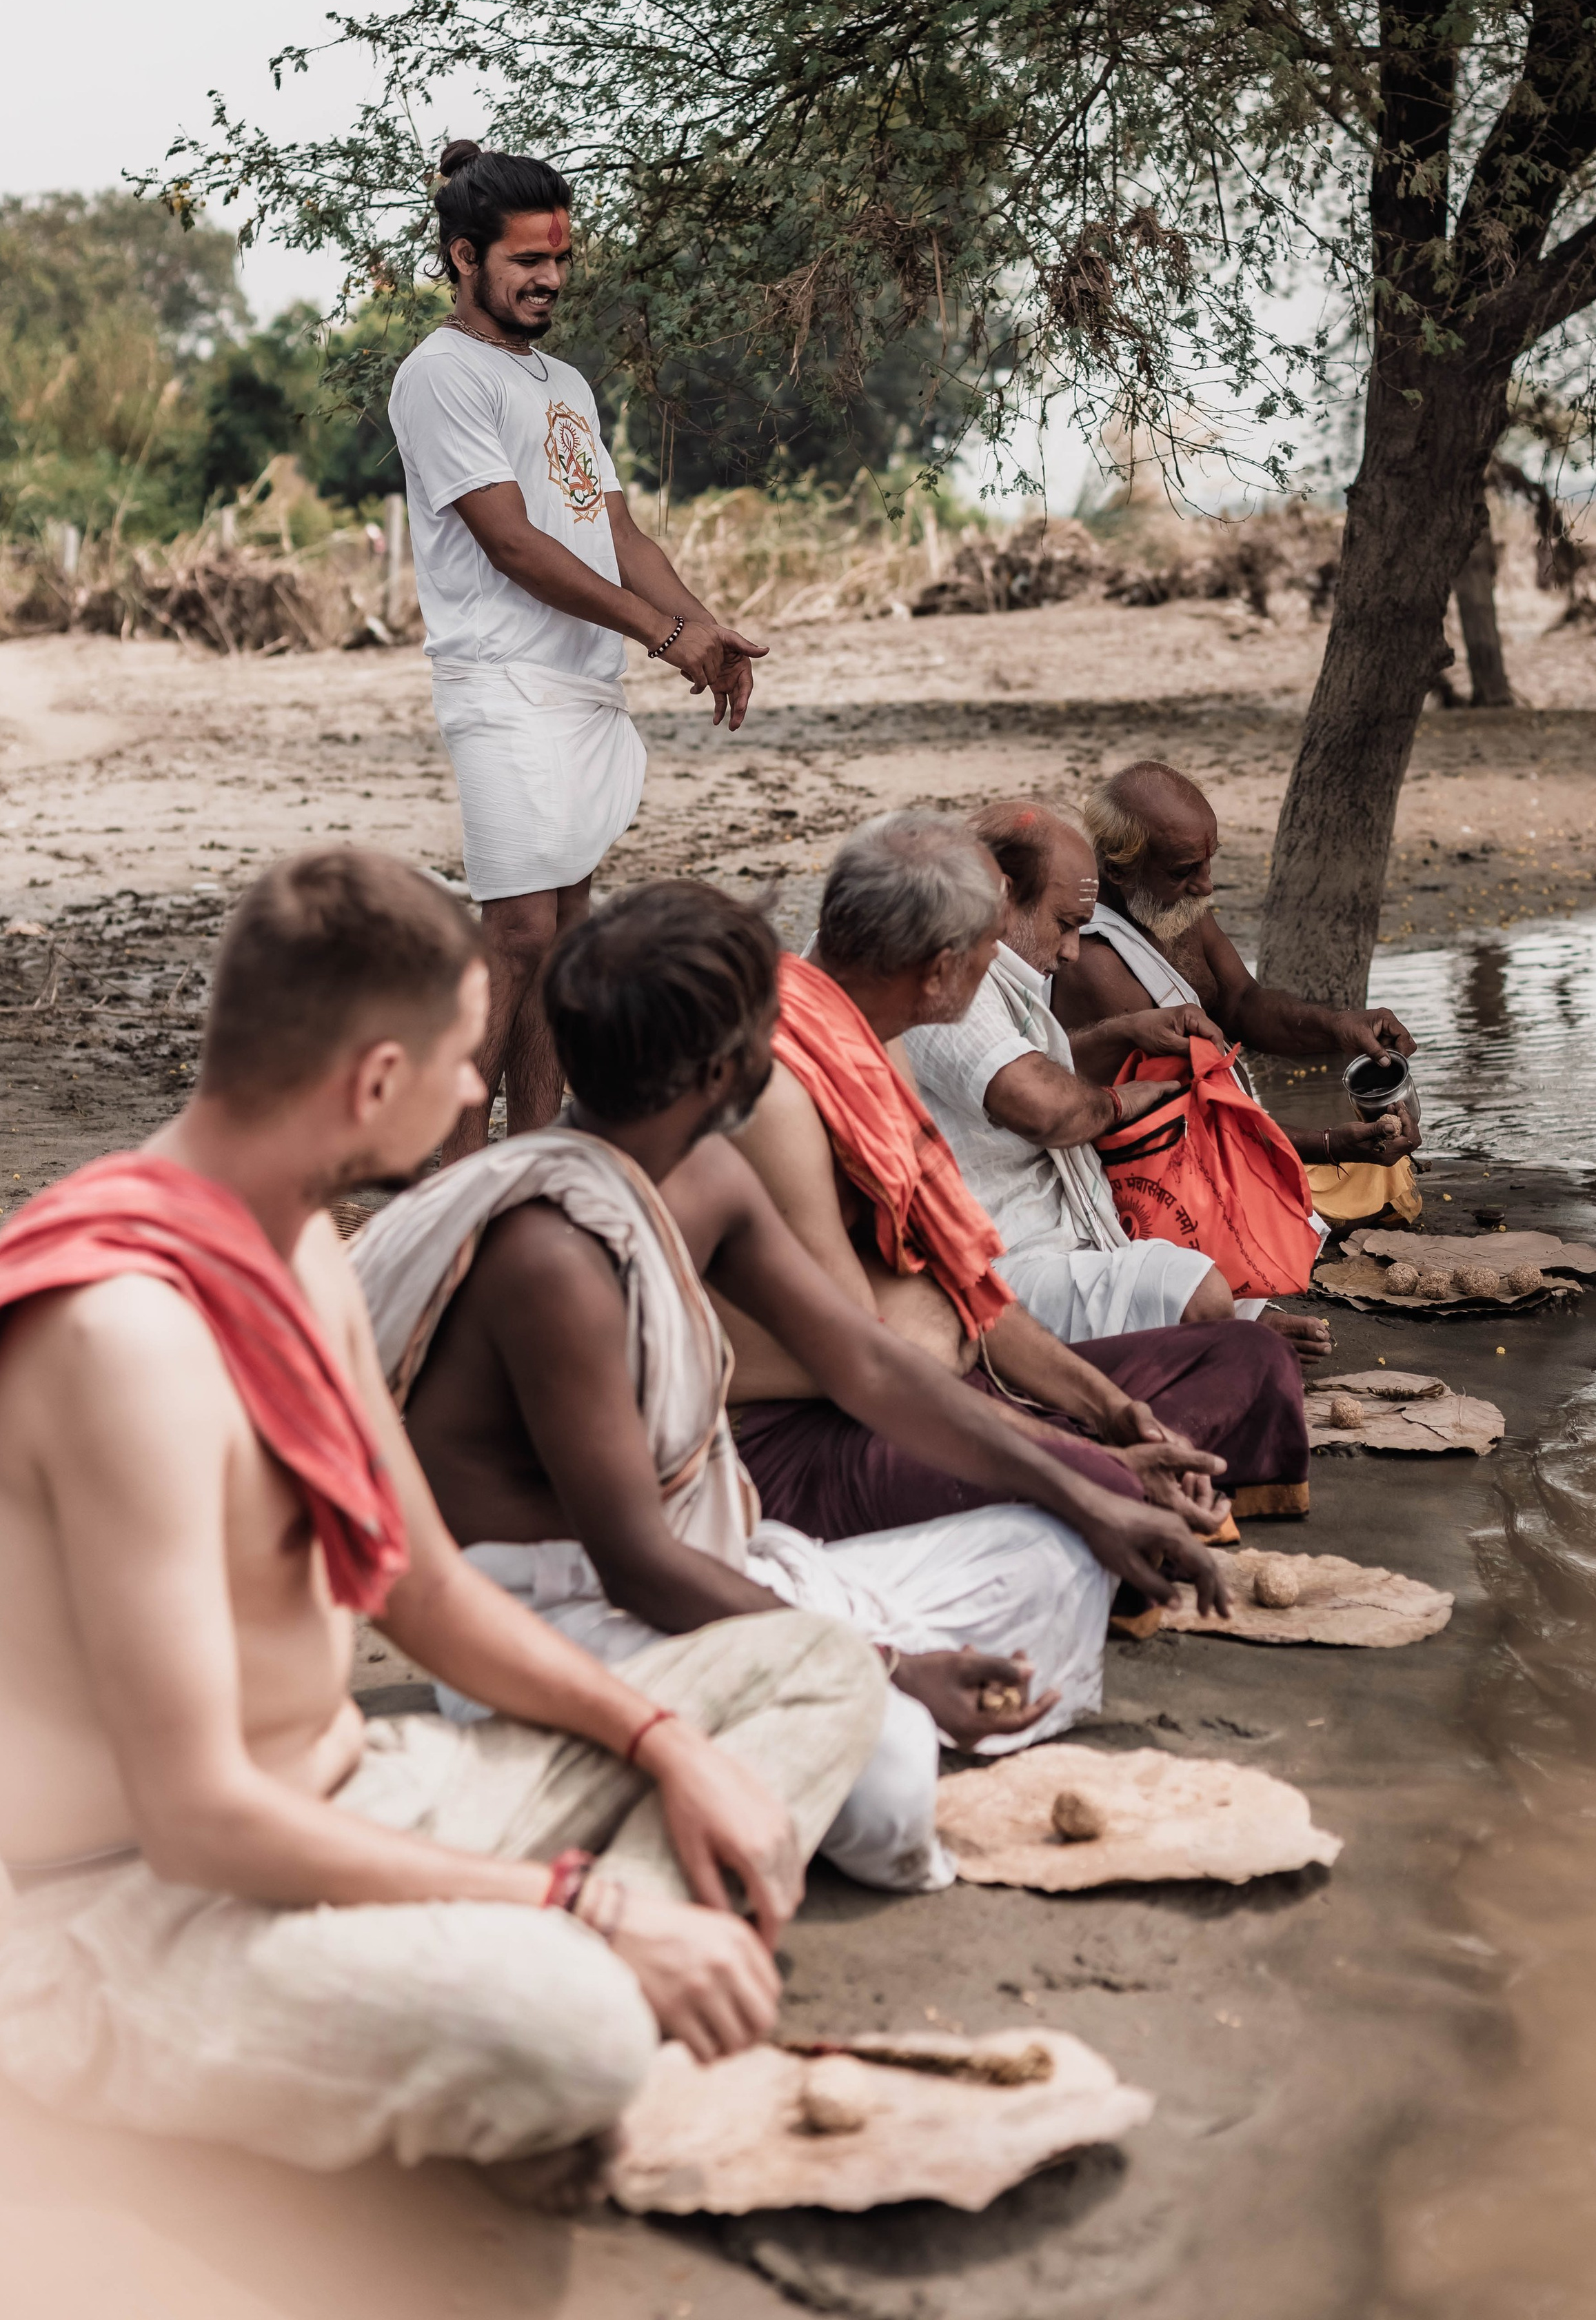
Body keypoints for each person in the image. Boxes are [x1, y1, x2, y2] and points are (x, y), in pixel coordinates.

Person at [0, 849, 887, 2175]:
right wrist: (578, 1898)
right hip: (151, 1917)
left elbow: (422, 1588)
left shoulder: (301, 1242)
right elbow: (197, 1815)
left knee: (819, 1665)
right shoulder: (125, 1343)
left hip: (371, 1795)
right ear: (377, 1081)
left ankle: (626, 1957)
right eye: (466, 1059)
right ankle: (611, 1975)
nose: (482, 1090)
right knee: (576, 2029)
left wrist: (664, 1740)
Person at [353, 882, 1231, 1897]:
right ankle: (649, 1785)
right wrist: (888, 1669)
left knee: (1052, 1552)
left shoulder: (703, 1176)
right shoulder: (552, 1256)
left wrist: (1085, 1488)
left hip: (701, 1566)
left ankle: (760, 1745)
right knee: (893, 1771)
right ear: (723, 1069)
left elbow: (862, 1361)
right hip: (560, 1630)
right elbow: (637, 1566)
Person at [725, 810, 1314, 1540]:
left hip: (951, 1378)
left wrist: (1113, 1413)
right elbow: (870, 1363)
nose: (1009, 971)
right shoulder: (782, 1089)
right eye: (987, 951)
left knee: (1250, 1361)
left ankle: (1105, 1464)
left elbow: (969, 1294)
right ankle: (1098, 1483)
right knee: (1103, 1491)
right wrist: (1073, 1456)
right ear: (942, 971)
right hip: (812, 1435)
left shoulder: (879, 1044)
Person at [387, 143, 767, 1160]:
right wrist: (663, 634)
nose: (550, 278)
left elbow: (619, 534)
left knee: (561, 940)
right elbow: (512, 544)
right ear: (465, 256)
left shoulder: (563, 381)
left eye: (560, 260)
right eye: (526, 262)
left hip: (581, 689)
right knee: (513, 936)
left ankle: (535, 1161)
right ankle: (460, 1183)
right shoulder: (439, 375)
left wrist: (704, 629)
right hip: (501, 684)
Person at [902, 798, 1329, 1357]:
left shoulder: (986, 966)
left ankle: (1202, 1328)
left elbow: (1022, 1064)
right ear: (1003, 898)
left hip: (1077, 1234)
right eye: (1065, 924)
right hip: (1008, 1263)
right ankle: (1196, 1333)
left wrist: (1123, 1031)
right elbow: (1042, 1105)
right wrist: (1121, 1102)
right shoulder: (936, 968)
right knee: (1203, 1294)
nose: (1073, 950)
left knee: (1234, 1268)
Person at [1053, 762, 1422, 1227]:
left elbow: (1241, 1003)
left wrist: (1339, 1027)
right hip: (1172, 1176)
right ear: (1118, 870)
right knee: (1360, 1187)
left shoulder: (1174, 901)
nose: (1205, 885)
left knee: (1389, 1177)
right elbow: (1194, 1127)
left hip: (1235, 1144)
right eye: (1185, 870)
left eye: (1208, 861)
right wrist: (1331, 1144)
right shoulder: (1094, 961)